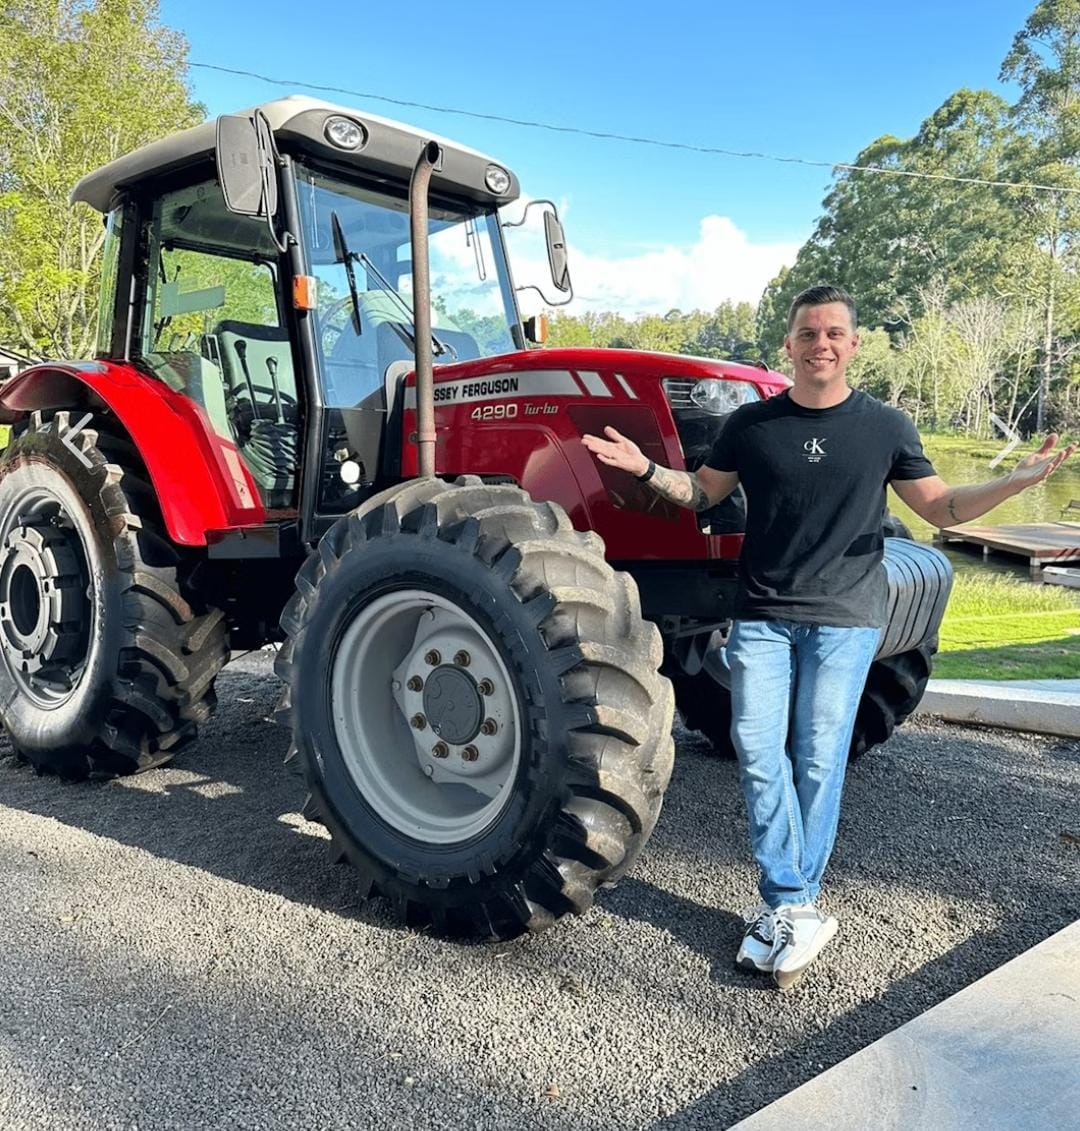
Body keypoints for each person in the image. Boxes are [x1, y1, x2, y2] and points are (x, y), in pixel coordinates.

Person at [582, 284, 1075, 990]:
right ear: (789, 344)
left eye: (834, 332)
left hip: (844, 619)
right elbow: (701, 492)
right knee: (757, 750)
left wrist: (1016, 482)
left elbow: (942, 507)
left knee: (816, 758)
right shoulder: (752, 425)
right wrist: (644, 469)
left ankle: (789, 902)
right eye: (808, 332)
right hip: (761, 616)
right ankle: (794, 902)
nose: (821, 343)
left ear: (853, 344)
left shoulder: (887, 427)